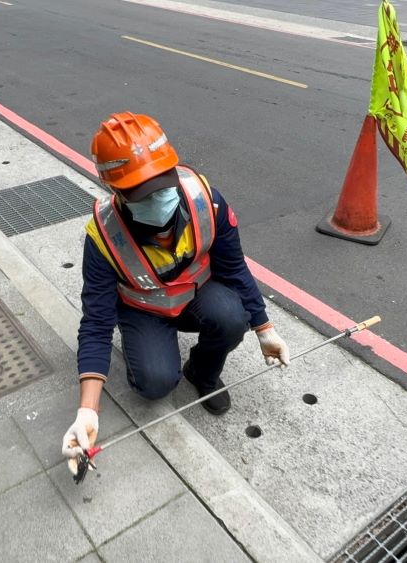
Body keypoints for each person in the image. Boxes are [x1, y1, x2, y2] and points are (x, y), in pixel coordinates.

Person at [61, 111, 290, 473]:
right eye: (144, 190)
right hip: (143, 310)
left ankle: (202, 372)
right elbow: (96, 324)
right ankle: (147, 356)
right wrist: (87, 411)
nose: (159, 195)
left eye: (163, 181)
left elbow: (234, 268)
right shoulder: (103, 239)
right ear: (115, 190)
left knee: (234, 317)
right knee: (154, 384)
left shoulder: (206, 201)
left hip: (195, 296)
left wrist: (265, 329)